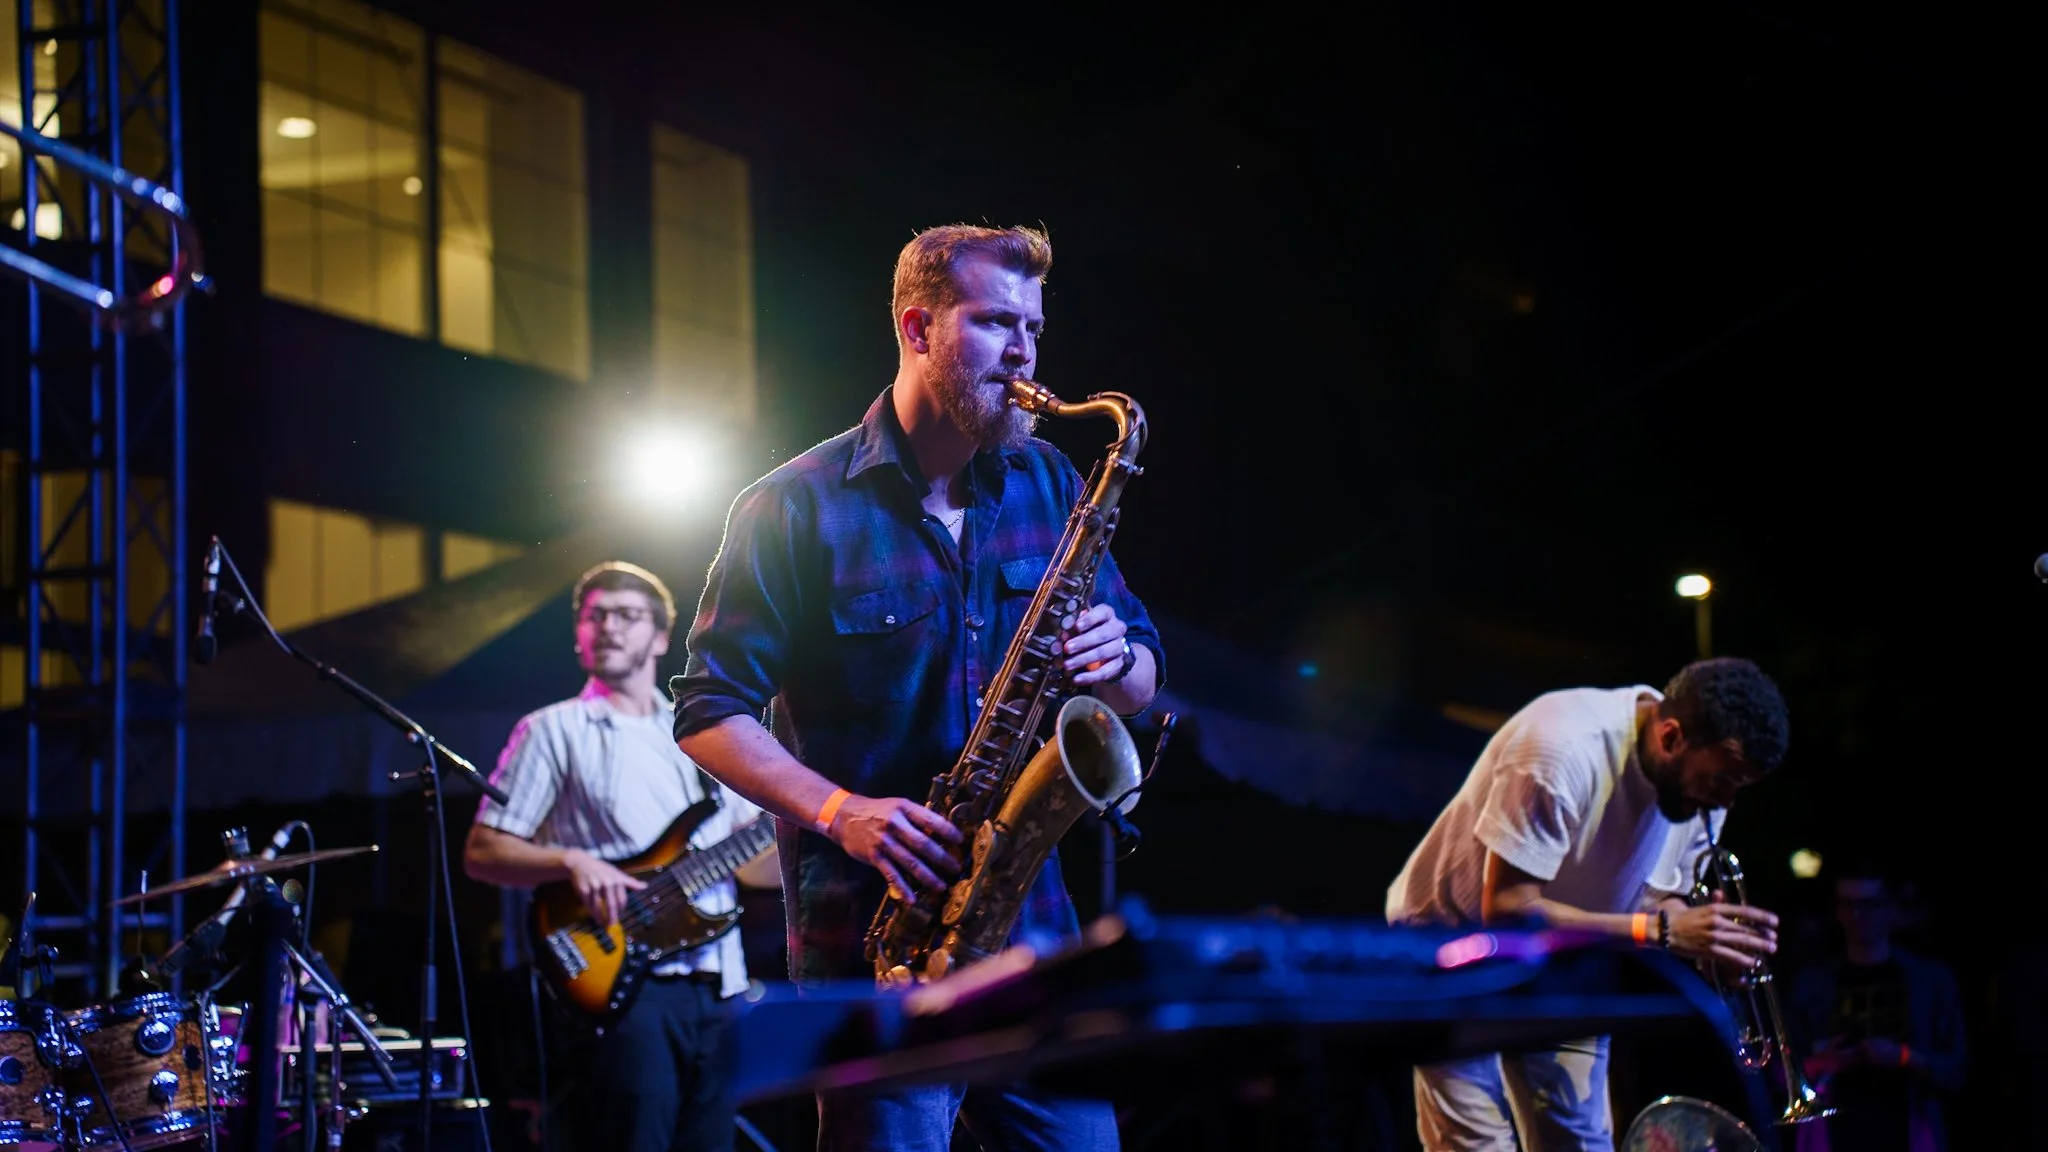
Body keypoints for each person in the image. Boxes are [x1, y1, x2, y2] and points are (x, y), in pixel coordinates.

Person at [672, 222, 1163, 1152]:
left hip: (1031, 931)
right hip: (873, 939)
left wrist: (1118, 662)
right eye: (993, 323)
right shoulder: (792, 506)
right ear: (917, 328)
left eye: (1034, 328)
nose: (1024, 352)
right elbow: (706, 712)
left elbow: (1142, 668)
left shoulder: (1053, 480)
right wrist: (842, 812)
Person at [1385, 656, 1793, 1152]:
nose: (1726, 800)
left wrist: (1706, 940)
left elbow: (1657, 896)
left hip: (1569, 955)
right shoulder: (1562, 747)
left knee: (1578, 1140)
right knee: (1476, 1143)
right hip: (1449, 942)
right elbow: (1510, 910)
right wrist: (1660, 933)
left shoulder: (1701, 788)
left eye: (1741, 786)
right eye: (1722, 780)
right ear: (1671, 737)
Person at [464, 561, 775, 1152]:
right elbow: (483, 851)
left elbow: (751, 867)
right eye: (593, 616)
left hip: (721, 983)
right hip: (624, 979)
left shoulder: (702, 732)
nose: (607, 627)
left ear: (661, 638)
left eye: (626, 616)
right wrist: (571, 863)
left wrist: (800, 831)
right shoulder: (551, 730)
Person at [1787, 859, 1966, 1152]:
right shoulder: (1813, 983)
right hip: (1834, 1133)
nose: (1857, 915)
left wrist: (1903, 1056)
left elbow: (1956, 1068)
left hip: (1908, 1128)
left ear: (1889, 908)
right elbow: (1783, 1072)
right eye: (1847, 904)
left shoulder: (1930, 981)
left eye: (1868, 904)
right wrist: (1825, 1060)